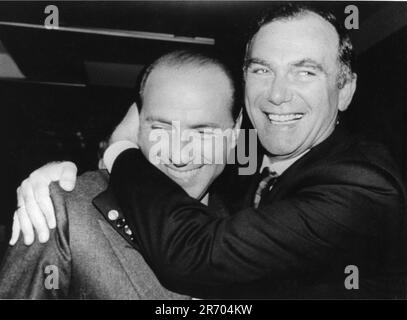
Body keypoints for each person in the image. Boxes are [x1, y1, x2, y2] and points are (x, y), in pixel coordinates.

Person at [10, 4, 407, 299]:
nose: (278, 94)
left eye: (305, 71)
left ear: (347, 90)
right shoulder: (246, 176)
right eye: (262, 69)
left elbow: (196, 254)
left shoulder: (365, 187)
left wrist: (118, 151)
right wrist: (58, 177)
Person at [0, 49, 241, 299]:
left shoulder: (242, 226)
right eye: (160, 129)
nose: (179, 156)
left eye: (203, 133)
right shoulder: (62, 212)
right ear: (136, 127)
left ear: (234, 135)